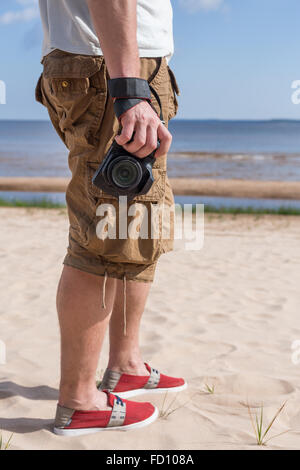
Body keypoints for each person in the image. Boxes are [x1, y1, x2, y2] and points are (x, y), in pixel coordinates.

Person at [36, 0, 186, 436]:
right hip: (113, 66)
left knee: (136, 221)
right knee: (105, 231)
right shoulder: (122, 78)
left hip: (111, 63)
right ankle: (80, 400)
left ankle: (125, 365)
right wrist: (129, 88)